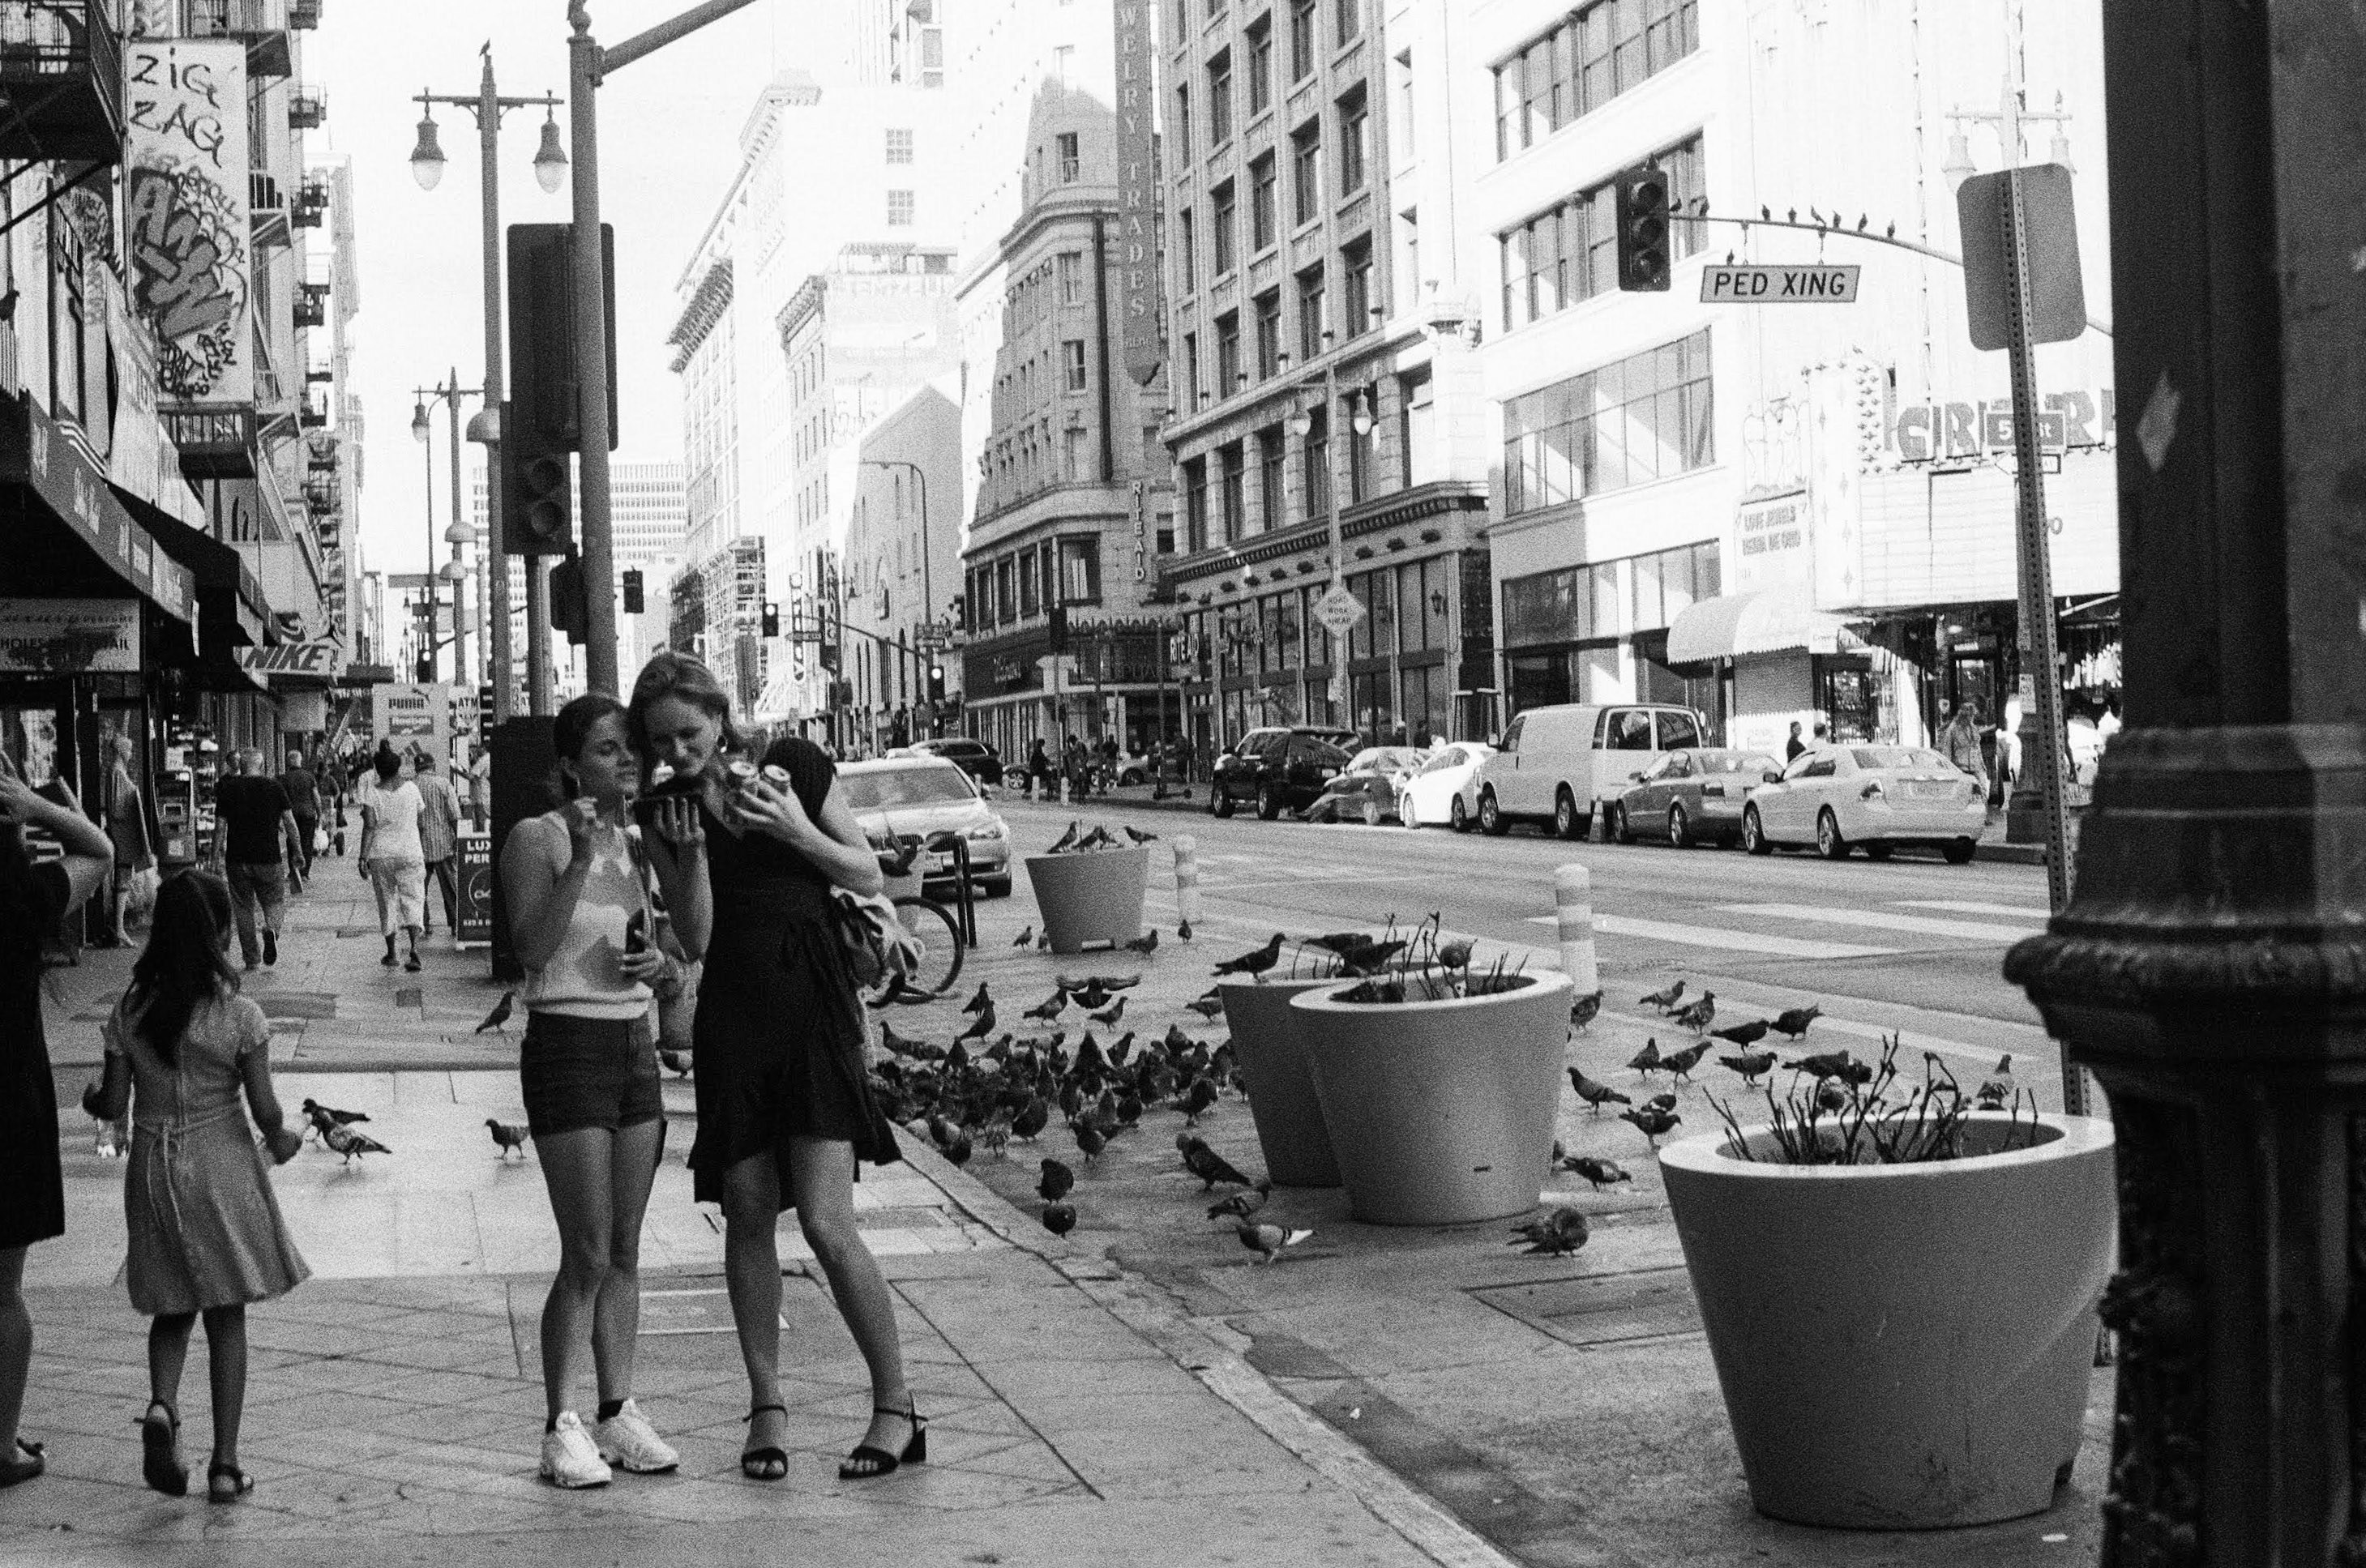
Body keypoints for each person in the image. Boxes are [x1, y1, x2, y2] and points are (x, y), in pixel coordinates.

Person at [627, 652, 920, 1485]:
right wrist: (690, 858)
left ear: (720, 715)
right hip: (734, 1014)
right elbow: (697, 938)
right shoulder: (664, 808)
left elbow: (865, 869)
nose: (677, 751)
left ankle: (896, 1406)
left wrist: (793, 828)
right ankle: (766, 1404)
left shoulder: (794, 765)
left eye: (689, 732)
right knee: (749, 1209)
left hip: (814, 1004)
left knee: (827, 1221)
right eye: (660, 740)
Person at [499, 695, 691, 1489]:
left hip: (633, 1044)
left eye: (630, 749)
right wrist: (578, 858)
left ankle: (618, 1409)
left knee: (624, 1248)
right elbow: (532, 948)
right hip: (567, 1046)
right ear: (573, 764)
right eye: (609, 749)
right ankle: (561, 1424)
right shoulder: (537, 838)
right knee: (584, 1249)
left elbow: (677, 945)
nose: (627, 761)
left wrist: (665, 968)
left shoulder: (637, 842)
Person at [87, 871, 307, 1503]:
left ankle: (162, 1405)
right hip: (222, 1170)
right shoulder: (239, 1015)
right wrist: (286, 1137)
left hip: (153, 1170)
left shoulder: (131, 1010)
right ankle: (225, 1465)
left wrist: (91, 1097)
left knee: (171, 1302)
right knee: (226, 1312)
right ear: (219, 934)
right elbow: (266, 1111)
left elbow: (114, 1104)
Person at [0, 753, 112, 1491]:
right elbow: (98, 850)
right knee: (3, 1290)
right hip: (8, 1099)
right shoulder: (20, 890)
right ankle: (1, 1446)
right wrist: (35, 804)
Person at [213, 750, 300, 972]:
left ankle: (251, 958)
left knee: (243, 908)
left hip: (237, 859)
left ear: (241, 765)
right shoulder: (275, 787)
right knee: (275, 902)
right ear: (262, 766)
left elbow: (220, 827)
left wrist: (215, 858)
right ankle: (271, 929)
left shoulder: (228, 788)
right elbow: (290, 823)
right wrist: (298, 851)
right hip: (269, 858)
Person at [358, 745, 428, 972]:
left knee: (386, 901)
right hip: (411, 852)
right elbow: (421, 823)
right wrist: (415, 842)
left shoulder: (372, 793)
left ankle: (392, 953)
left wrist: (362, 857)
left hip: (382, 855)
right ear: (398, 767)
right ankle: (414, 950)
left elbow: (369, 826)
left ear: (378, 770)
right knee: (414, 898)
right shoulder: (412, 789)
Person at [105, 735, 155, 947]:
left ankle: (120, 927)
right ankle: (119, 928)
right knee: (122, 879)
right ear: (120, 750)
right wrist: (133, 794)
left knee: (124, 879)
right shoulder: (117, 772)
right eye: (129, 750)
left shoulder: (117, 772)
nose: (131, 754)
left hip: (124, 835)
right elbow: (117, 809)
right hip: (122, 835)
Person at [412, 755, 464, 939]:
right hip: (443, 845)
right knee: (450, 887)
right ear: (433, 766)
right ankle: (456, 924)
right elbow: (455, 816)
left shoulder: (411, 786)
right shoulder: (444, 784)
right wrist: (459, 839)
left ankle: (423, 924)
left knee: (419, 889)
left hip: (418, 845)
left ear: (416, 768)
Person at [279, 750, 319, 879]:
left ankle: (294, 871)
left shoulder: (284, 778)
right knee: (307, 842)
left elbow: (280, 800)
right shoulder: (309, 776)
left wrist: (279, 819)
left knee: (292, 841)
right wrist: (319, 813)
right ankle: (305, 872)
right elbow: (316, 797)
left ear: (288, 762)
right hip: (308, 814)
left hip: (292, 814)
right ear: (300, 760)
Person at [1943, 700, 1990, 802]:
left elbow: (1977, 748)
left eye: (1973, 716)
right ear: (1964, 715)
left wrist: (1982, 766)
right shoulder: (1953, 729)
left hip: (1976, 767)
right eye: (1970, 716)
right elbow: (1947, 750)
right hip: (1961, 767)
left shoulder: (1972, 727)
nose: (1972, 718)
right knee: (1963, 797)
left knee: (1983, 794)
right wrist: (1949, 771)